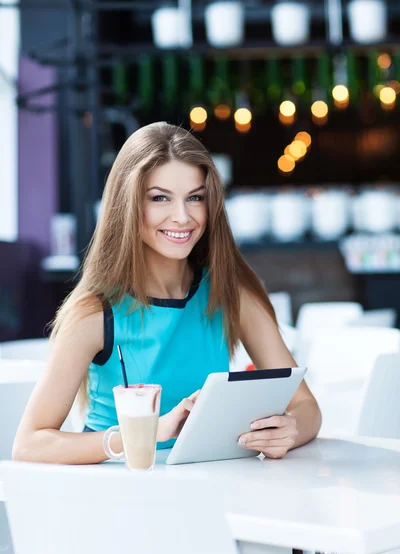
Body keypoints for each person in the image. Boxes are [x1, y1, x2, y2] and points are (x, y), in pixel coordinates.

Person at [13, 122, 321, 465]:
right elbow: (29, 444)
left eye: (195, 198)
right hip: (113, 491)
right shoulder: (95, 312)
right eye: (160, 198)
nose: (182, 217)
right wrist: (144, 432)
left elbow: (306, 407)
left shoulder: (230, 292)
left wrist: (288, 430)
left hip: (207, 486)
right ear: (127, 204)